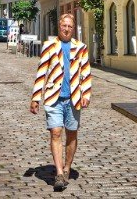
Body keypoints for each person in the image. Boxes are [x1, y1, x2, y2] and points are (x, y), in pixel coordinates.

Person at [30, 14, 92, 191]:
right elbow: (42, 71)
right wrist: (36, 97)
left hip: (74, 98)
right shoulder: (49, 46)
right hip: (53, 97)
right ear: (59, 26)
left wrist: (86, 94)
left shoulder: (81, 48)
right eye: (64, 25)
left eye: (69, 26)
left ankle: (67, 168)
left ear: (73, 28)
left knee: (72, 134)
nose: (66, 29)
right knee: (56, 132)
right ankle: (58, 172)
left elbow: (86, 72)